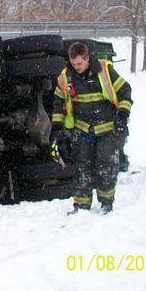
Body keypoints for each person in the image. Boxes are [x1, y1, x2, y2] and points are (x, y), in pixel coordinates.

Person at [51, 42, 133, 214]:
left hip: (107, 128)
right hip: (83, 129)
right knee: (82, 168)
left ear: (88, 59)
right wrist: (57, 127)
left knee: (105, 166)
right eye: (73, 64)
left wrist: (122, 116)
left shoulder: (105, 71)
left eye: (80, 63)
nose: (77, 67)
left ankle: (106, 203)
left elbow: (125, 91)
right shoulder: (66, 78)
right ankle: (81, 206)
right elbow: (58, 103)